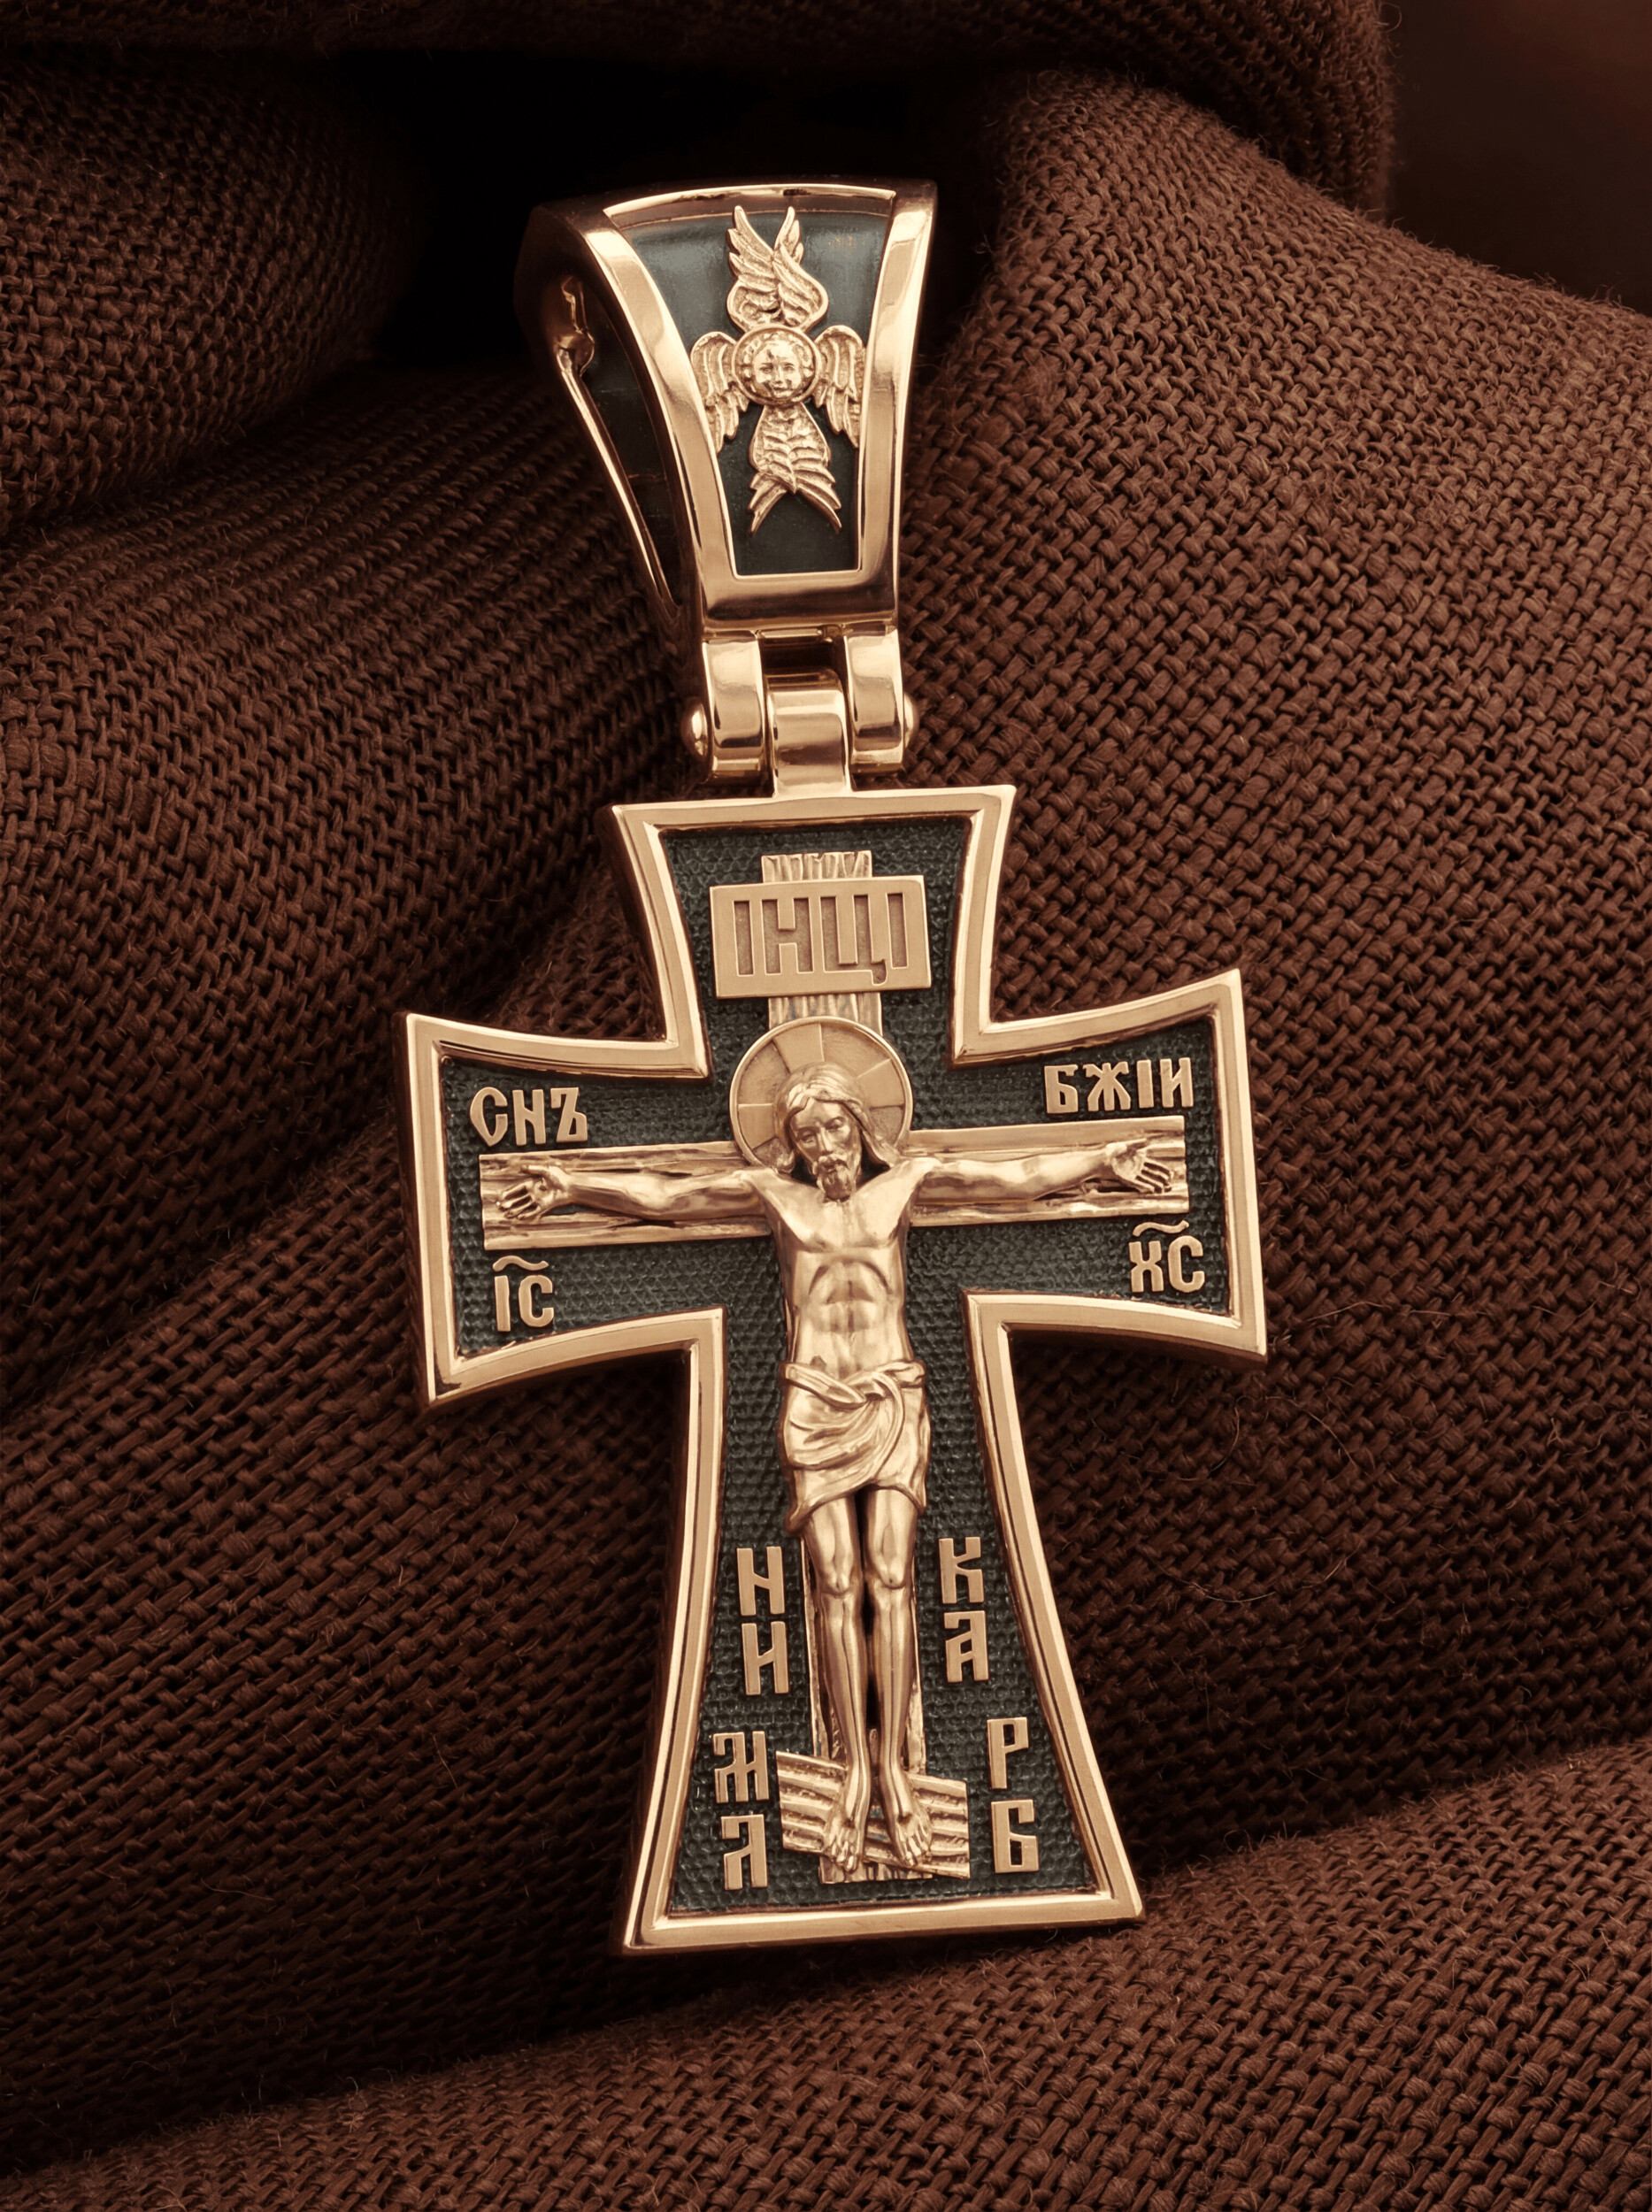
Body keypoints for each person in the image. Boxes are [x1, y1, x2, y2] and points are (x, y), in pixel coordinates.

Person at [499, 1058, 1172, 1877]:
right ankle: (853, 1770)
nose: (824, 1145)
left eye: (834, 1126)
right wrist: (570, 1184)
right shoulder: (775, 1197)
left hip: (891, 1396)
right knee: (835, 1584)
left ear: (860, 1123)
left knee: (891, 1580)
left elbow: (1011, 1178)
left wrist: (1100, 1160)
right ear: (791, 1143)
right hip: (815, 1402)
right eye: (806, 1133)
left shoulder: (905, 1185)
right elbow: (670, 1196)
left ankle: (894, 1773)